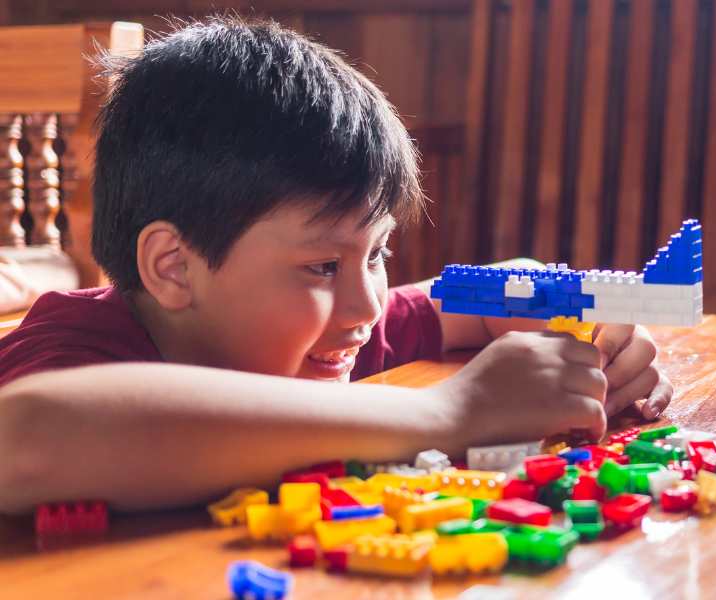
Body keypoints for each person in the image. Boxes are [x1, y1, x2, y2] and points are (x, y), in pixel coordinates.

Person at [0, 16, 671, 515]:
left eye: (376, 253)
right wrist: (450, 411)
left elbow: (481, 286)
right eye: (322, 266)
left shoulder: (316, 335)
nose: (368, 305)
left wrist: (575, 312)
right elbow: (27, 436)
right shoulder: (74, 348)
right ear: (173, 267)